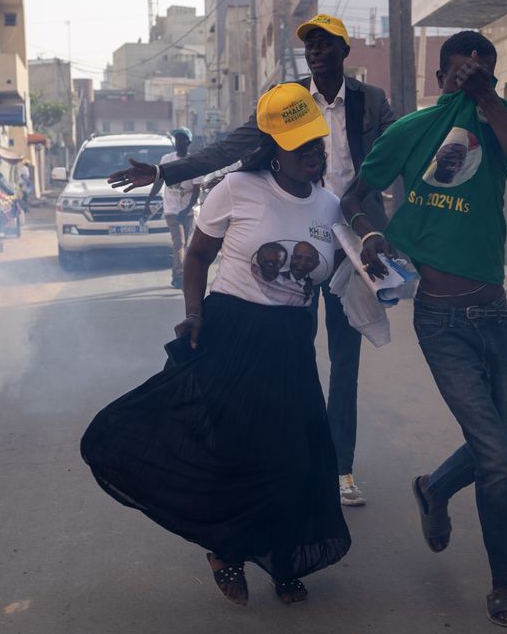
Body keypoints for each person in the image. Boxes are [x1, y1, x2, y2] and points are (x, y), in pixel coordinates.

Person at [108, 13, 396, 507]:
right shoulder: (289, 102)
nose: (317, 51)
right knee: (295, 359)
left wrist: (392, 232)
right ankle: (294, 461)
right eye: (311, 44)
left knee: (345, 363)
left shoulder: (371, 101)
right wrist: (163, 170)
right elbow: (232, 147)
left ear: (346, 52)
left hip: (349, 234)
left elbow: (398, 154)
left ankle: (340, 468)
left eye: (327, 44)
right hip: (291, 233)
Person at [81, 84, 351, 606]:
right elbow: (198, 256)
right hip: (233, 331)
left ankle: (282, 555)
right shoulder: (237, 189)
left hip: (293, 343)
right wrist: (193, 314)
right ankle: (224, 551)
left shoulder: (331, 206)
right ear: (274, 149)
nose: (314, 155)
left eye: (318, 144)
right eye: (302, 147)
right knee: (232, 450)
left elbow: (334, 271)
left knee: (293, 455)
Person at [341, 30, 507, 628]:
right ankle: (506, 581)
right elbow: (354, 196)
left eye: (484, 71)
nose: (471, 77)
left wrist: (488, 103)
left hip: (494, 314)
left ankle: (434, 489)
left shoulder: (502, 119)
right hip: (441, 318)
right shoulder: (411, 129)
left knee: (495, 451)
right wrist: (371, 232)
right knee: (498, 459)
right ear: (439, 78)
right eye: (461, 71)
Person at [158, 128, 203, 289]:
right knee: (179, 242)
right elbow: (158, 180)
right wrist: (149, 202)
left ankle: (178, 274)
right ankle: (179, 277)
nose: (179, 143)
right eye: (177, 140)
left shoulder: (194, 163)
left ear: (188, 143)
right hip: (171, 209)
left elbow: (197, 191)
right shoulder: (167, 159)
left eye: (183, 140)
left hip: (188, 210)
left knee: (186, 244)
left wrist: (185, 211)